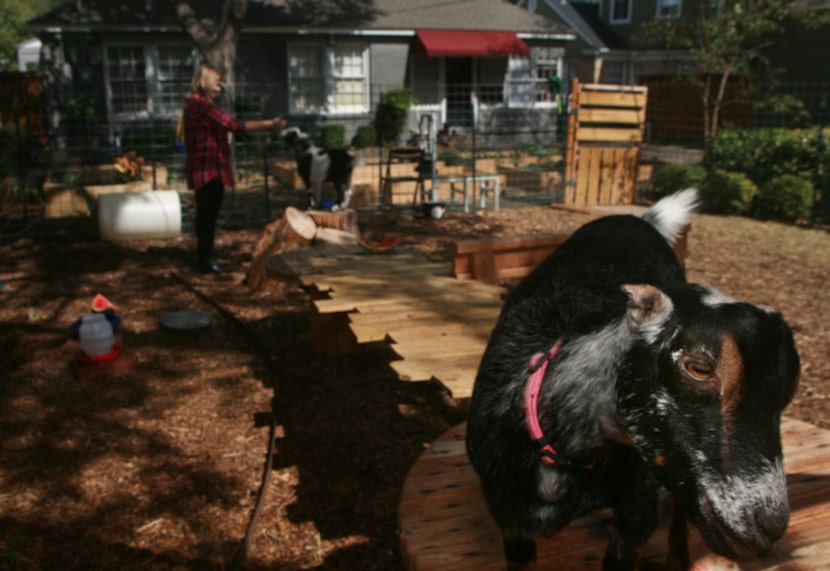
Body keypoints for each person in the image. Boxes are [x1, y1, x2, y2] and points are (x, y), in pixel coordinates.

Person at [184, 64, 286, 273]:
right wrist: (270, 124)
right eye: (216, 84)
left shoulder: (194, 105)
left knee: (206, 215)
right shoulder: (202, 106)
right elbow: (236, 125)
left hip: (205, 168)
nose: (218, 89)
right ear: (205, 83)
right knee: (207, 216)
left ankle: (205, 257)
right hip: (208, 170)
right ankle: (206, 260)